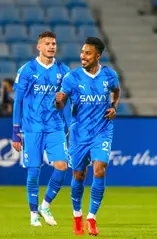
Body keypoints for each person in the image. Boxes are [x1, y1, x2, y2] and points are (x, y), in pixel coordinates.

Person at [55, 37, 121, 236]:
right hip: (78, 134)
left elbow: (116, 92)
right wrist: (58, 101)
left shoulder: (109, 75)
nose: (83, 56)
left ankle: (91, 218)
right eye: (82, 52)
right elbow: (61, 105)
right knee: (79, 175)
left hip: (102, 130)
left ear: (98, 56)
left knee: (100, 170)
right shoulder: (72, 78)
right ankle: (77, 216)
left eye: (87, 53)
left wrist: (114, 106)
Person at [11, 31, 71, 227]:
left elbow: (66, 101)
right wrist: (16, 131)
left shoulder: (63, 70)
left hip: (55, 127)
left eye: (54, 43)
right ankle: (33, 213)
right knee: (34, 172)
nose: (51, 46)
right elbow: (18, 101)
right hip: (33, 127)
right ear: (39, 47)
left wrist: (69, 125)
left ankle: (45, 205)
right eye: (47, 43)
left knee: (62, 166)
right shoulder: (27, 70)